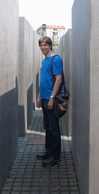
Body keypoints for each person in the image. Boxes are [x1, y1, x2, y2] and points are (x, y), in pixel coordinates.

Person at [36, 36, 63, 167]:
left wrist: (52, 98)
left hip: (51, 99)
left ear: (50, 46)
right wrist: (38, 97)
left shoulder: (56, 59)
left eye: (45, 45)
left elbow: (58, 80)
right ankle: (48, 152)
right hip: (44, 98)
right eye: (41, 45)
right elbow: (44, 81)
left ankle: (56, 157)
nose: (43, 47)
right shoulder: (45, 60)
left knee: (54, 128)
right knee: (47, 127)